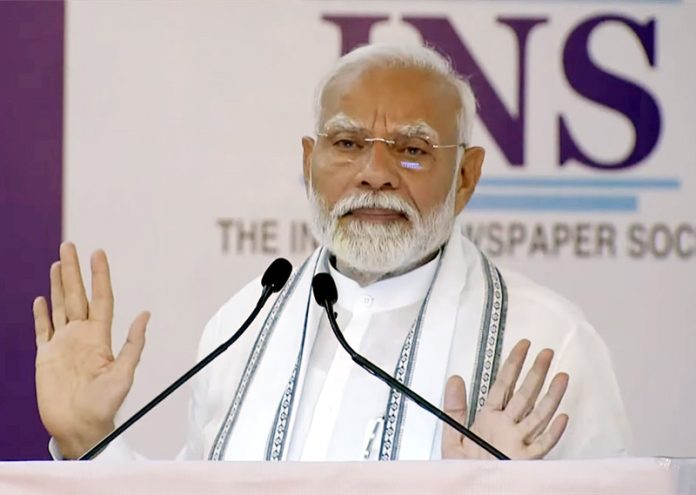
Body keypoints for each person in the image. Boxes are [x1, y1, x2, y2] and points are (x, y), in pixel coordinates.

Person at [32, 44, 631, 461]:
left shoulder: (548, 344)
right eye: (346, 143)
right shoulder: (242, 327)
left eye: (412, 149)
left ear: (467, 177)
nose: (374, 173)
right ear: (307, 162)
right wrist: (91, 444)